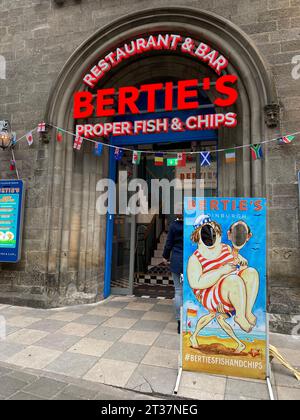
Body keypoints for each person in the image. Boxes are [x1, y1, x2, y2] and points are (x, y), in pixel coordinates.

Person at [163, 212, 183, 334]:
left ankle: (179, 322)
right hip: (190, 262)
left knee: (178, 291)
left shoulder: (174, 226)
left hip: (176, 260)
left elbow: (169, 243)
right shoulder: (192, 225)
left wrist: (165, 256)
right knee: (189, 291)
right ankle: (190, 320)